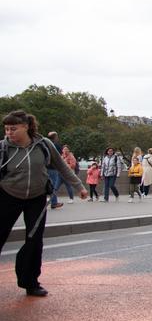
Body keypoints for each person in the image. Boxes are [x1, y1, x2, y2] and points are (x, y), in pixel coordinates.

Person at [1, 110, 88, 296]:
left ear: (26, 127)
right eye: (6, 129)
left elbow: (62, 166)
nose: (9, 133)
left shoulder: (44, 144)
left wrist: (79, 186)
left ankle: (30, 282)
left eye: (13, 129)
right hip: (8, 195)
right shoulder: (3, 148)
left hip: (37, 197)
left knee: (34, 240)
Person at [46, 131, 72, 209]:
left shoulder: (45, 144)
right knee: (53, 185)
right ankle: (54, 202)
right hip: (53, 167)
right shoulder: (56, 145)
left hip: (45, 167)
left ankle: (48, 200)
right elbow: (58, 157)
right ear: (55, 137)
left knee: (47, 184)